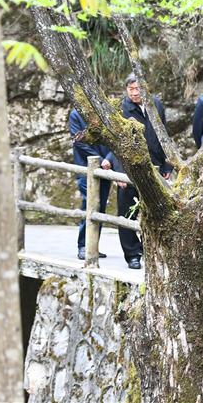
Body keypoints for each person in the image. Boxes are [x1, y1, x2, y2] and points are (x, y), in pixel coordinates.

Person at [117, 74, 172, 269]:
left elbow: (163, 133)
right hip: (129, 167)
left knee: (156, 208)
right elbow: (116, 142)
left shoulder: (156, 104)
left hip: (155, 164)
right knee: (127, 212)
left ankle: (152, 250)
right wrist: (119, 172)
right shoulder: (121, 108)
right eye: (130, 89)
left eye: (137, 89)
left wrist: (167, 164)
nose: (134, 93)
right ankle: (132, 254)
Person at [69, 108, 114, 260]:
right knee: (89, 204)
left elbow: (114, 138)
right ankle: (83, 245)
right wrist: (101, 160)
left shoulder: (102, 110)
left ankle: (93, 245)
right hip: (85, 167)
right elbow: (79, 142)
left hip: (106, 166)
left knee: (100, 207)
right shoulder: (76, 114)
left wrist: (108, 159)